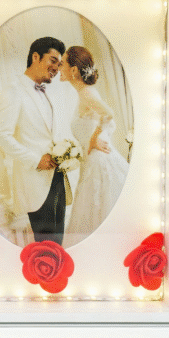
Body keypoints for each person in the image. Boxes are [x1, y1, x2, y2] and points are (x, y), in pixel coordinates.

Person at [0, 37, 67, 244]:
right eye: (53, 61)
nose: (56, 68)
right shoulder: (13, 90)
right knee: (45, 247)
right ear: (35, 57)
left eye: (59, 64)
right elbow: (0, 136)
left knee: (58, 244)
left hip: (57, 178)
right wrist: (36, 160)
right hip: (35, 183)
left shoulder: (48, 94)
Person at [59, 46, 129, 248]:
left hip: (98, 162)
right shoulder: (85, 93)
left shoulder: (87, 93)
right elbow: (105, 120)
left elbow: (109, 114)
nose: (59, 68)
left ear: (73, 70)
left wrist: (94, 138)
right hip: (92, 160)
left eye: (62, 63)